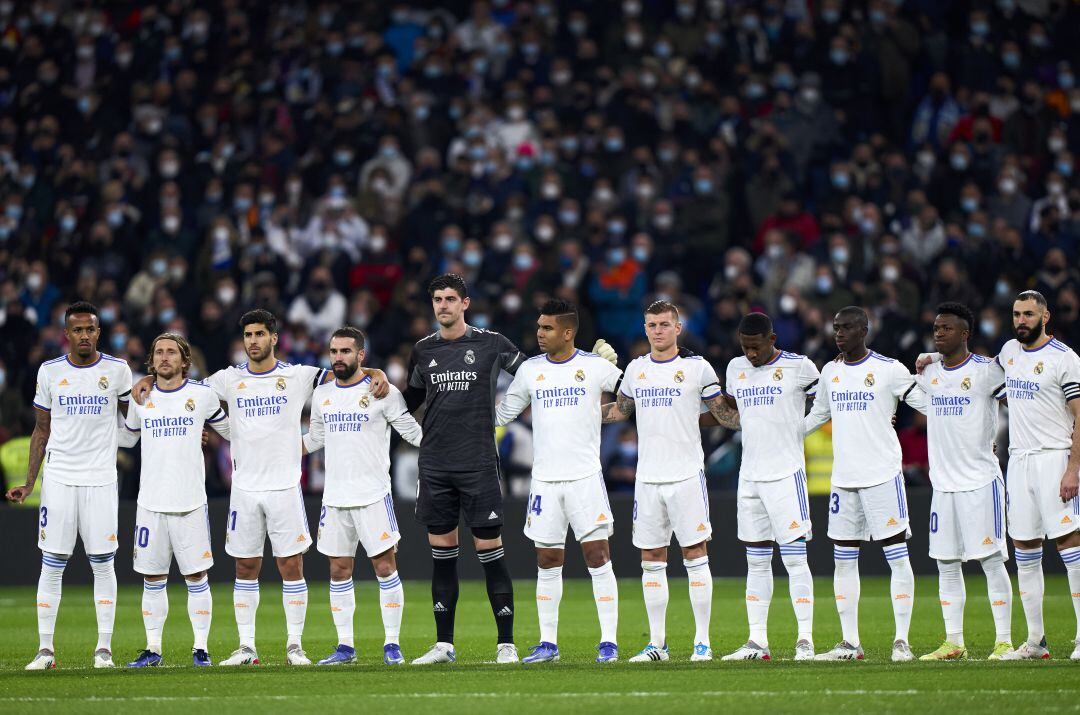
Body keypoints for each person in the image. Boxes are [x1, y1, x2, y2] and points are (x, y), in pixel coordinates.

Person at [130, 309, 387, 666]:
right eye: (248, 335)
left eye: (260, 334)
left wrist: (376, 371)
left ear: (274, 338)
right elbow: (179, 386)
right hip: (244, 489)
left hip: (284, 487)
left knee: (290, 567)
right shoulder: (228, 379)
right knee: (246, 568)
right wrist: (147, 377)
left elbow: (345, 372)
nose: (253, 341)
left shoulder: (297, 376)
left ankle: (294, 646)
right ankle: (247, 647)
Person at [921, 291, 1080, 660]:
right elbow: (974, 370)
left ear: (1045, 317)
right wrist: (931, 356)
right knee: (1025, 548)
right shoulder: (1009, 353)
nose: (1021, 320)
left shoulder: (1066, 359)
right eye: (1016, 314)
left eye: (1028, 314)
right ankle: (1036, 641)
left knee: (1070, 546)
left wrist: (1074, 467)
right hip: (1018, 460)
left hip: (1055, 459)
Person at [603, 300, 740, 663]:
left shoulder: (697, 368)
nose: (658, 330)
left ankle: (702, 643)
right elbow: (620, 410)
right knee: (651, 558)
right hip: (647, 479)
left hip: (685, 475)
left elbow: (724, 415)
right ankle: (658, 645)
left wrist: (764, 411)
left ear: (678, 328)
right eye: (652, 325)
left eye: (665, 324)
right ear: (645, 328)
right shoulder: (635, 370)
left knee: (695, 554)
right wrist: (575, 409)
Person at [404, 273, 526, 665]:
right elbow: (408, 401)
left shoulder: (491, 344)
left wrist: (581, 363)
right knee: (442, 556)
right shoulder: (423, 350)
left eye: (450, 299)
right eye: (438, 299)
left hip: (477, 462)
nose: (443, 305)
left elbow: (533, 376)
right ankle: (444, 645)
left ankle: (505, 643)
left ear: (465, 303)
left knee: (490, 551)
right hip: (436, 465)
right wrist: (374, 386)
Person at [495, 299, 623, 664]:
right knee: (548, 558)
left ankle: (609, 643)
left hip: (585, 477)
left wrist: (619, 371)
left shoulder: (595, 366)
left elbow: (632, 398)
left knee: (598, 557)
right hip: (545, 482)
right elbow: (503, 413)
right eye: (538, 326)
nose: (539, 333)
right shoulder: (530, 371)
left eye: (547, 328)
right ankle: (548, 643)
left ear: (568, 332)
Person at [6, 302, 133, 670]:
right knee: (52, 562)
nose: (83, 335)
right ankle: (45, 650)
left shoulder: (118, 370)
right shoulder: (49, 372)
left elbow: (135, 421)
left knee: (103, 563)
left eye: (89, 329)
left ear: (98, 332)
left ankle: (104, 649)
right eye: (76, 330)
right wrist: (30, 484)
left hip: (101, 479)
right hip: (59, 479)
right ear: (66, 334)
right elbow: (41, 430)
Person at [804, 306, 925, 662]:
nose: (838, 333)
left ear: (865, 330)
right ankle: (850, 643)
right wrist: (784, 433)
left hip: (883, 477)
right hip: (844, 480)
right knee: (843, 560)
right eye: (836, 327)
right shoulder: (830, 371)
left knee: (897, 557)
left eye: (846, 327)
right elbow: (819, 415)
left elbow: (931, 406)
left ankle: (902, 640)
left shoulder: (889, 370)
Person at [302, 326, 422, 666]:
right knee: (339, 570)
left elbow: (413, 434)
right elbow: (315, 439)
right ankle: (345, 647)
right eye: (334, 352)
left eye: (345, 351)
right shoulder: (323, 396)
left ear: (360, 356)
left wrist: (447, 443)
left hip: (372, 495)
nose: (338, 357)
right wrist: (279, 449)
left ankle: (393, 644)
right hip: (335, 498)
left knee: (385, 567)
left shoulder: (383, 392)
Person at [908, 304, 1013, 661]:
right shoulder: (930, 373)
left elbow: (1020, 391)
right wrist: (925, 358)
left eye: (947, 328)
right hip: (943, 486)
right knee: (946, 563)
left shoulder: (987, 371)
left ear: (965, 334)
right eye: (936, 328)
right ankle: (954, 642)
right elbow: (919, 399)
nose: (939, 333)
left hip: (981, 482)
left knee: (991, 560)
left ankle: (1004, 641)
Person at [121, 333, 231, 668]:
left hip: (191, 501)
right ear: (151, 361)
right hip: (150, 502)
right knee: (152, 578)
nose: (164, 357)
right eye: (158, 353)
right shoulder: (142, 397)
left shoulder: (203, 395)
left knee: (197, 577)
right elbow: (127, 438)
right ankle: (153, 648)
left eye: (171, 352)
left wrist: (207, 436)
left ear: (185, 360)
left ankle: (201, 648)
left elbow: (230, 432)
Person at [721, 312, 820, 661]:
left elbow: (828, 400)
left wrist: (800, 429)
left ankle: (805, 639)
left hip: (786, 475)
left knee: (795, 559)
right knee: (756, 561)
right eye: (745, 347)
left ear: (772, 339)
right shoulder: (735, 369)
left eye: (756, 347)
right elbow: (736, 413)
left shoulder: (800, 367)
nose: (750, 354)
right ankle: (757, 641)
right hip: (750, 477)